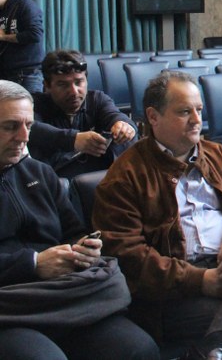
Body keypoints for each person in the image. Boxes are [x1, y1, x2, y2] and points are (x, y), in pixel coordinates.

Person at [93, 72, 222, 360]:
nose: (196, 120)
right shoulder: (126, 175)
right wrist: (201, 279)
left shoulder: (217, 155)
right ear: (153, 117)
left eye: (199, 110)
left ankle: (216, 343)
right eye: (184, 112)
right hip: (175, 292)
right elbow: (127, 255)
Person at [0, 80, 159, 360]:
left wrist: (83, 247)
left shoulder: (40, 173)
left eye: (29, 126)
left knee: (138, 349)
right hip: (11, 306)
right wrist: (33, 263)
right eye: (11, 126)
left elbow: (73, 230)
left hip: (63, 296)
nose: (24, 136)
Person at [30, 50, 137, 178]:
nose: (74, 92)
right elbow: (31, 128)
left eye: (78, 82)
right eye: (63, 85)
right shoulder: (34, 104)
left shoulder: (97, 99)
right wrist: (73, 139)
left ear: (86, 80)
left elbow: (114, 115)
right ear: (47, 86)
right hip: (54, 181)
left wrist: (124, 126)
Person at [0, 0, 45, 93]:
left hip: (27, 74)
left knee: (30, 103)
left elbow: (35, 34)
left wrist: (3, 37)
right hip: (6, 75)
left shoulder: (24, 5)